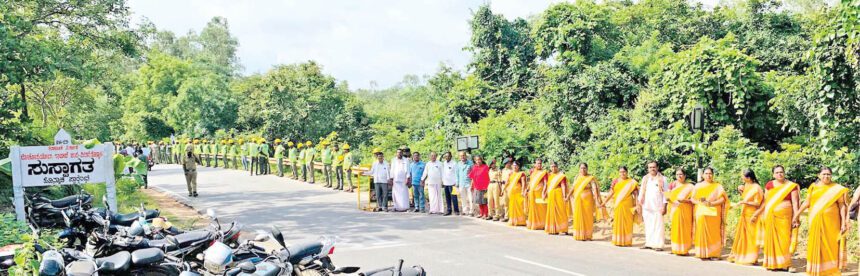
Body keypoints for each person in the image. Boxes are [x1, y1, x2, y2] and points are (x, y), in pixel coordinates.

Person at [792, 167, 850, 276]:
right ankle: (816, 270)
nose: (826, 176)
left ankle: (831, 271)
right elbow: (807, 203)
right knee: (816, 244)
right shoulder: (813, 187)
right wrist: (796, 215)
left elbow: (842, 206)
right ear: (819, 175)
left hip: (832, 223)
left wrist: (843, 223)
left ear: (831, 175)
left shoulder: (837, 189)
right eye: (823, 174)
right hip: (815, 221)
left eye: (828, 174)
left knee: (831, 245)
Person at [750, 165, 800, 271]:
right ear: (773, 174)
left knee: (785, 239)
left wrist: (796, 217)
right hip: (771, 216)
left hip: (785, 216)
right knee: (771, 239)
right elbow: (765, 201)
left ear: (784, 173)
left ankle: (786, 264)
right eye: (777, 172)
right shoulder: (769, 185)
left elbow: (795, 203)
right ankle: (772, 263)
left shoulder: (791, 186)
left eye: (781, 172)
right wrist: (757, 213)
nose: (779, 174)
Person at [690, 167, 728, 260]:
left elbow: (723, 199)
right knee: (701, 231)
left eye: (710, 173)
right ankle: (702, 253)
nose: (708, 175)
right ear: (703, 175)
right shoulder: (698, 186)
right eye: (706, 173)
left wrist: (711, 203)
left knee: (714, 233)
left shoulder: (718, 186)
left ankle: (714, 254)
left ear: (713, 175)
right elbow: (692, 199)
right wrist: (700, 203)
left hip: (713, 212)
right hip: (701, 212)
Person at [728, 169, 764, 265]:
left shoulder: (757, 188)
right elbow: (746, 197)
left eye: (742, 176)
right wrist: (741, 191)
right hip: (744, 214)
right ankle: (741, 256)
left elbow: (757, 203)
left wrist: (745, 202)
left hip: (752, 215)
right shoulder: (747, 185)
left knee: (751, 237)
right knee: (742, 236)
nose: (741, 178)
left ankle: (751, 258)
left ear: (748, 178)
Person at [602, 166, 638, 247]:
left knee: (627, 222)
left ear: (627, 172)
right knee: (618, 222)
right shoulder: (615, 181)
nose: (622, 173)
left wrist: (637, 205)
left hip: (628, 205)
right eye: (621, 172)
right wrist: (604, 202)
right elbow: (611, 192)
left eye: (624, 172)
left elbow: (636, 194)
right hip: (618, 204)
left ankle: (627, 241)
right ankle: (618, 240)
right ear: (619, 173)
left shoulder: (632, 182)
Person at [569, 163, 603, 241]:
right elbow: (573, 187)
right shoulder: (577, 177)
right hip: (578, 199)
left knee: (588, 217)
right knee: (578, 215)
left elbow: (594, 189)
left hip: (588, 200)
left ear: (587, 169)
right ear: (579, 169)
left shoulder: (590, 178)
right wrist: (568, 196)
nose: (583, 170)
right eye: (581, 168)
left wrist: (597, 200)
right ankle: (579, 235)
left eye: (584, 168)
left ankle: (588, 235)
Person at [639, 161, 667, 250]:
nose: (652, 169)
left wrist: (664, 206)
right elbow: (641, 192)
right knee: (648, 225)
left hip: (658, 206)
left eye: (654, 167)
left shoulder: (663, 179)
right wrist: (640, 203)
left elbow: (665, 194)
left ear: (657, 168)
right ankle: (649, 243)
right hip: (647, 206)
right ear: (648, 169)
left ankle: (658, 245)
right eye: (650, 167)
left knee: (658, 226)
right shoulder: (645, 178)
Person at [667, 168, 695, 256]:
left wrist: (685, 201)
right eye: (677, 174)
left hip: (686, 209)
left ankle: (684, 249)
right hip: (675, 209)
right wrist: (668, 199)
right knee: (675, 229)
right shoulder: (672, 185)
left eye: (681, 174)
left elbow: (694, 200)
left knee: (685, 229)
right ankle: (675, 248)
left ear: (685, 176)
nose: (679, 176)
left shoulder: (690, 187)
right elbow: (669, 196)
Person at [544, 161, 569, 234]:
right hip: (551, 195)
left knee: (560, 211)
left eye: (555, 166)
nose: (553, 168)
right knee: (552, 211)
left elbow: (563, 185)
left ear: (557, 167)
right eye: (552, 166)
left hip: (558, 194)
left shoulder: (561, 176)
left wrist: (564, 195)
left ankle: (563, 229)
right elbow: (547, 185)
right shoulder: (549, 175)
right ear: (550, 167)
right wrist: (545, 193)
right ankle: (553, 229)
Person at [525, 159, 548, 230]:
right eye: (538, 163)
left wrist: (544, 192)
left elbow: (546, 183)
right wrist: (527, 189)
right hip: (532, 193)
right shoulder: (532, 172)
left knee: (541, 208)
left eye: (540, 163)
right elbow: (531, 182)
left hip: (540, 192)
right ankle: (534, 223)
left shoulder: (544, 173)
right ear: (535, 164)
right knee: (533, 208)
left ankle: (542, 224)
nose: (539, 165)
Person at [505, 161, 527, 226]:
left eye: (516, 165)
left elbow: (523, 183)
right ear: (511, 166)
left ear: (518, 167)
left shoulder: (521, 174)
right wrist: (503, 190)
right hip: (511, 193)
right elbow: (507, 182)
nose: (515, 167)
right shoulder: (510, 174)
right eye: (513, 165)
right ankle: (513, 220)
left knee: (519, 206)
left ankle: (521, 221)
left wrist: (523, 191)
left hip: (518, 192)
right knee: (512, 206)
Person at [455, 151, 474, 216]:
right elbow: (456, 174)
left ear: (465, 156)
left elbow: (473, 173)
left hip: (469, 183)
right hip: (461, 183)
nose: (462, 157)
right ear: (459, 157)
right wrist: (457, 183)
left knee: (470, 198)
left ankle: (471, 211)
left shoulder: (470, 163)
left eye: (463, 155)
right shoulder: (458, 164)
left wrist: (473, 183)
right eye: (461, 156)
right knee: (463, 198)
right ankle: (465, 210)